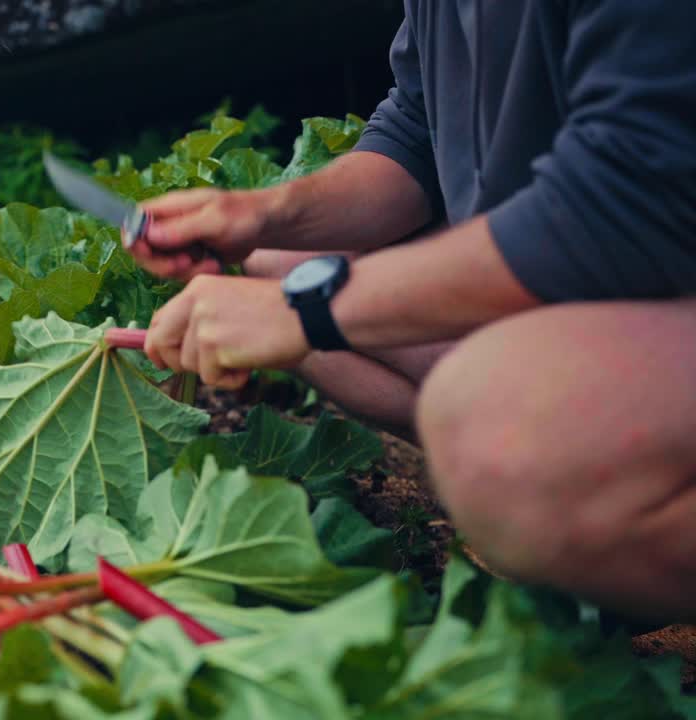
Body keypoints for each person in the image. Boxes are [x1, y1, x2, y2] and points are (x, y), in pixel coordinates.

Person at [128, 1, 696, 623]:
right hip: (585, 277)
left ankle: (559, 485)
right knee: (280, 260)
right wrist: (263, 213)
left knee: (496, 435)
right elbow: (415, 132)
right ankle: (578, 493)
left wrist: (305, 312)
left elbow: (627, 204)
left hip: (655, 265)